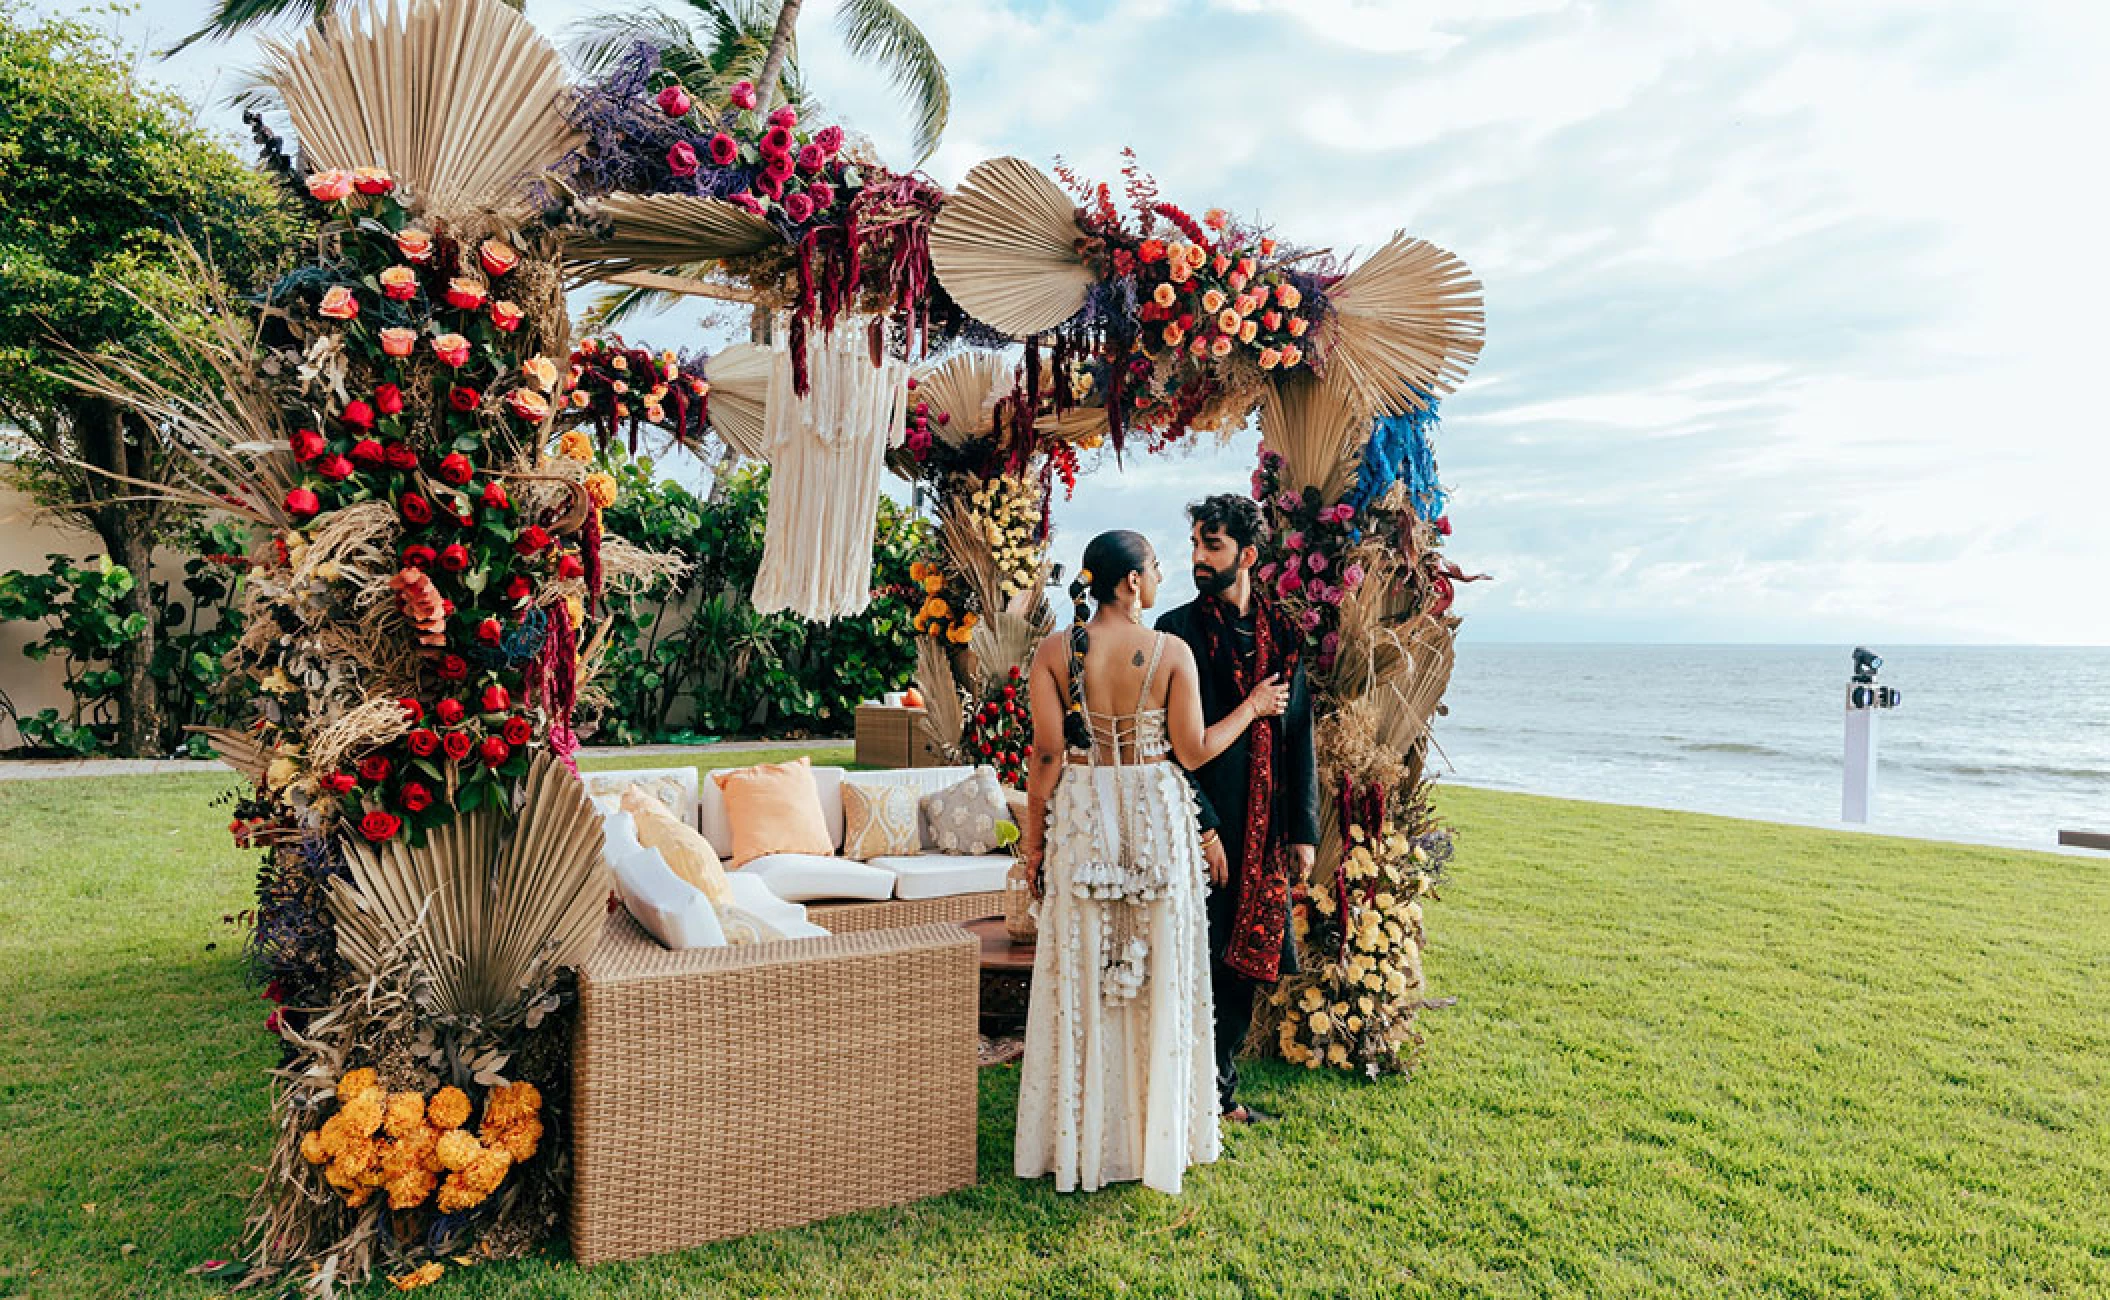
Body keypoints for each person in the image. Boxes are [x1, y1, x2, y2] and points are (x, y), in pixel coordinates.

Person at [1013, 530, 1289, 1194]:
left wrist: (1033, 845)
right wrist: (1251, 708)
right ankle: (1155, 1136)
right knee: (1155, 967)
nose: (1164, 575)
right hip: (1155, 812)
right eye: (1156, 567)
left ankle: (1082, 1141)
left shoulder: (1053, 652)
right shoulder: (1172, 651)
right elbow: (1192, 753)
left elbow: (1046, 758)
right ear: (1132, 582)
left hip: (1083, 809)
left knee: (1083, 967)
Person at [1156, 494, 1318, 1125]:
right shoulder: (1177, 633)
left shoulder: (1284, 633)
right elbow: (1164, 744)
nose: (1198, 557)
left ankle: (1218, 1099)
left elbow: (1298, 732)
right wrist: (1202, 825)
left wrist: (1302, 830)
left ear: (1247, 555)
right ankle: (1183, 1095)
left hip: (1266, 830)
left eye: (1212, 545)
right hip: (1202, 825)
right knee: (1194, 959)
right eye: (1196, 542)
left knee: (1242, 969)